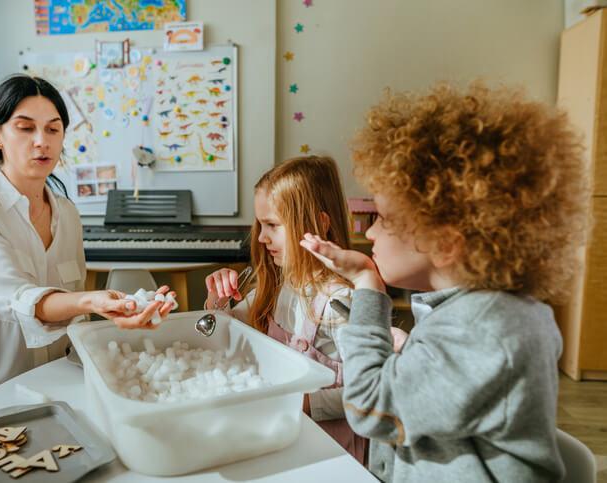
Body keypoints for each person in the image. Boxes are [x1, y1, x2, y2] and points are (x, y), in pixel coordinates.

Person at [300, 82, 592, 482]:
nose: (370, 235)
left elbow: (370, 406)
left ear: (444, 242)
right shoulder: (479, 314)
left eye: (382, 219)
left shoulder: (490, 329)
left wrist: (367, 283)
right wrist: (409, 351)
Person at [0, 75, 175, 436]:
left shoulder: (67, 214)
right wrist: (93, 300)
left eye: (53, 130)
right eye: (25, 128)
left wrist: (126, 318)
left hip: (51, 390)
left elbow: (73, 316)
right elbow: (14, 295)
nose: (42, 142)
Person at [205, 156, 369, 464]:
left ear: (319, 224)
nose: (262, 238)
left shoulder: (340, 301)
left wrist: (305, 403)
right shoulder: (280, 284)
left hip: (329, 453)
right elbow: (226, 326)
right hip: (283, 439)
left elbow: (370, 394)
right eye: (260, 225)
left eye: (272, 225)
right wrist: (217, 298)